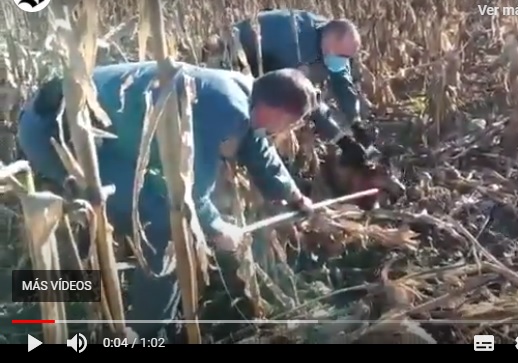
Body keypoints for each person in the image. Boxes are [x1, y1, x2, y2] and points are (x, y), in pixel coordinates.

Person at [17, 62, 319, 339]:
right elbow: (182, 191)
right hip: (55, 135)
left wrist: (293, 195)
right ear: (278, 112)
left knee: (167, 216)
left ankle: (146, 314)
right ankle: (147, 334)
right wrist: (216, 227)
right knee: (167, 223)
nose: (288, 131)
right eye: (291, 123)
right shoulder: (226, 108)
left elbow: (257, 148)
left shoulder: (246, 91)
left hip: (98, 135)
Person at [204, 9, 374, 168]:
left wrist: (356, 122)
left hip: (273, 64)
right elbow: (303, 99)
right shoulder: (295, 44)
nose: (344, 62)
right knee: (258, 121)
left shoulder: (333, 42)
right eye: (342, 57)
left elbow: (342, 81)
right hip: (237, 59)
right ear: (328, 45)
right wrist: (341, 139)